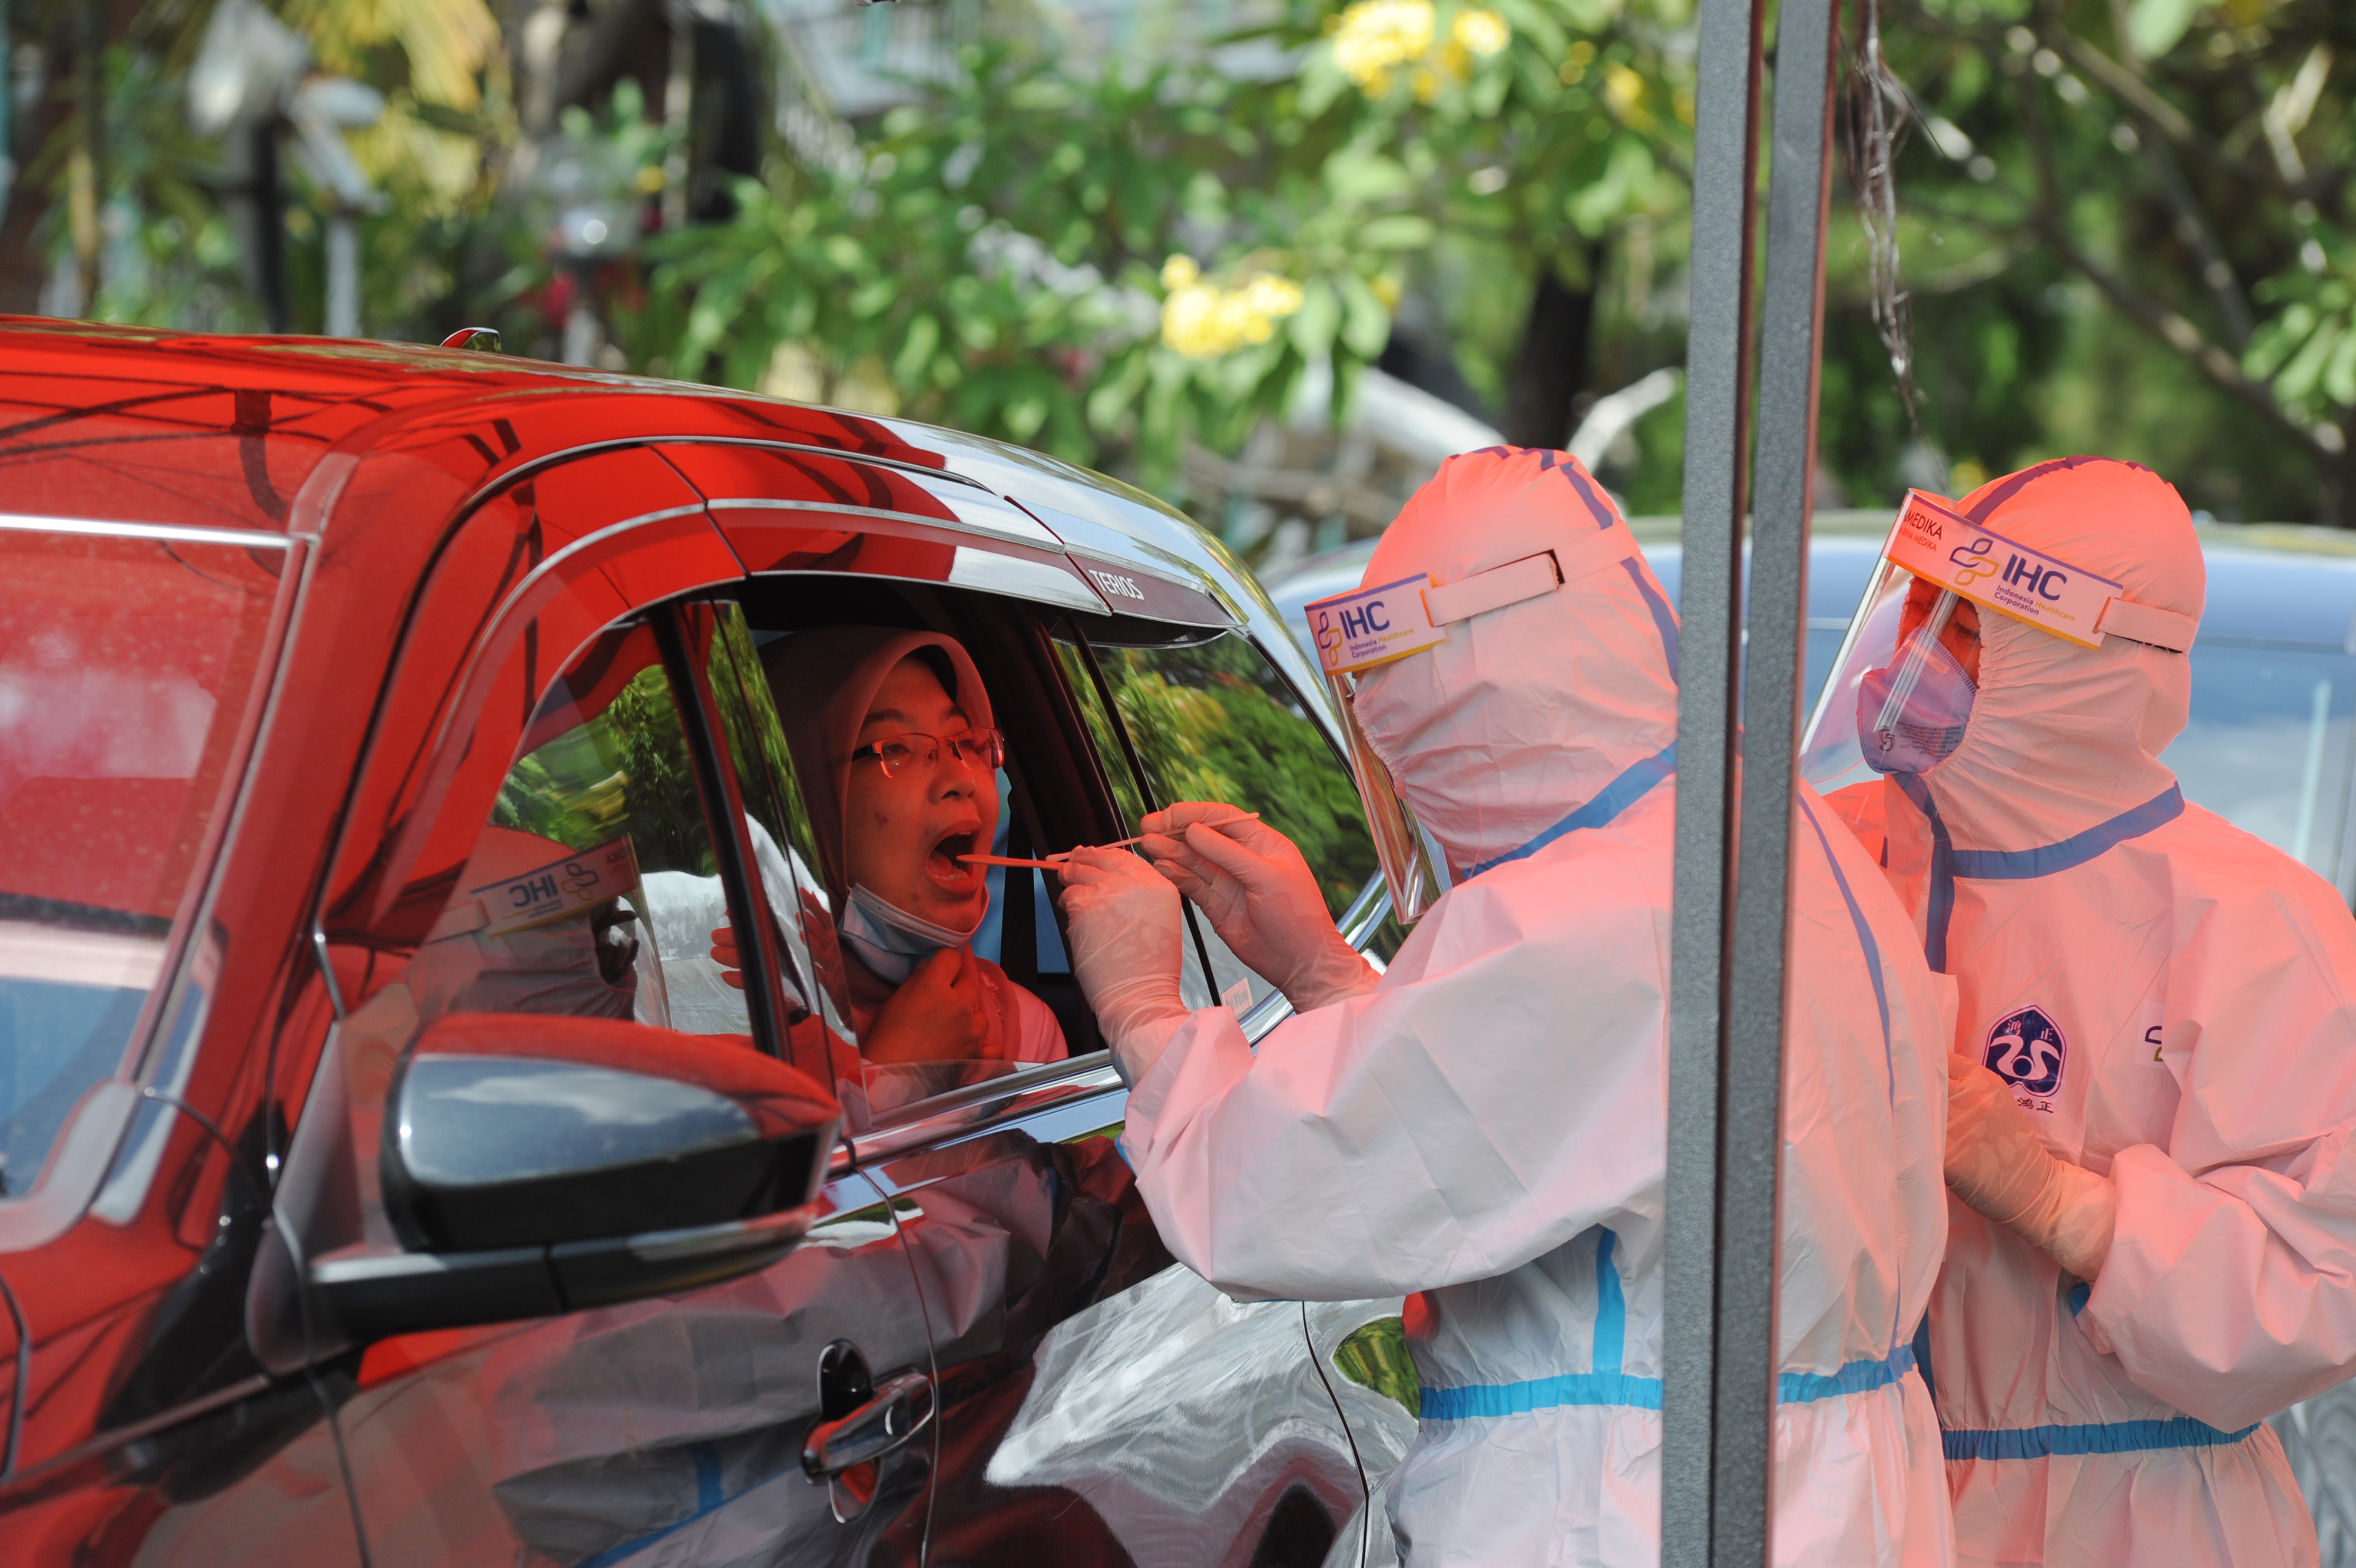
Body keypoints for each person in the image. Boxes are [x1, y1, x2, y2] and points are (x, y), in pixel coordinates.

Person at [1055, 446, 1956, 1566]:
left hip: (1620, 1505)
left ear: (1464, 679)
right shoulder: (1778, 845)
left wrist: (1146, 1003)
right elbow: (1546, 1115)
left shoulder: (1584, 913)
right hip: (1823, 1499)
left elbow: (1273, 1197)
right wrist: (1333, 975)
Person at [1821, 456, 2356, 1567]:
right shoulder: (1821, 864)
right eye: (1914, 603)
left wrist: (2053, 1197)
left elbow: (2318, 1300)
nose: (1913, 652)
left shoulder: (2255, 925)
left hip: (2140, 1521)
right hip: (1858, 1502)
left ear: (2080, 665)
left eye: (1965, 626)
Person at [729, 627, 1066, 1093]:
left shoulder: (1026, 1027)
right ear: (806, 802)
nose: (962, 779)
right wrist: (896, 1075)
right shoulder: (724, 1036)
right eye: (897, 749)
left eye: (966, 743)